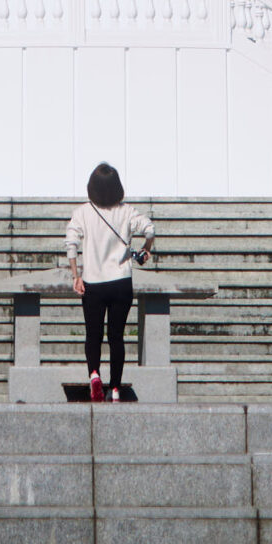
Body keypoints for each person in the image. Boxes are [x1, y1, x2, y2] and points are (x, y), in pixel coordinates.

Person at [65, 162, 153, 402]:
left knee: (93, 335)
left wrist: (76, 276)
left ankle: (94, 375)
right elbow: (150, 229)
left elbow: (71, 244)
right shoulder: (127, 212)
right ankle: (114, 388)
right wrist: (145, 249)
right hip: (121, 283)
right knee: (117, 336)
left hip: (93, 282)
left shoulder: (83, 212)